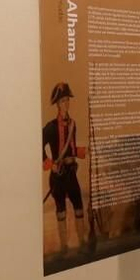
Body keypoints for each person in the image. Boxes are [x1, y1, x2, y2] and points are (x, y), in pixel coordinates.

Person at [42, 83, 87, 256]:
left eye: (67, 100)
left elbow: (72, 149)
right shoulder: (51, 127)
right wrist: (49, 164)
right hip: (58, 176)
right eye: (62, 101)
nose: (66, 104)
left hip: (70, 173)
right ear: (57, 104)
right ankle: (63, 248)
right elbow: (38, 143)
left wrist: (84, 152)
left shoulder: (73, 125)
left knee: (78, 207)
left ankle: (82, 243)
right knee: (60, 210)